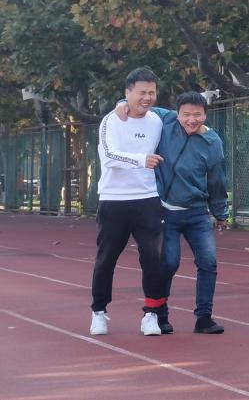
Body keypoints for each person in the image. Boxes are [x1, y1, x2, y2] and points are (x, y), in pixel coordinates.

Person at [116, 91, 228, 335]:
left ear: (205, 115)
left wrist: (220, 213)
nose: (191, 120)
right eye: (186, 114)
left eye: (197, 115)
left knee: (208, 262)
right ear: (177, 114)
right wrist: (122, 104)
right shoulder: (164, 120)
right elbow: (140, 106)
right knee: (168, 262)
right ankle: (160, 315)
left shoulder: (213, 143)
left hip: (197, 212)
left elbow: (217, 180)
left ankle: (204, 317)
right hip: (165, 211)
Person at [90, 67, 166, 336]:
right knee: (107, 258)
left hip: (147, 200)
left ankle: (151, 315)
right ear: (127, 93)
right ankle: (99, 312)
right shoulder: (111, 121)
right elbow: (109, 156)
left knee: (154, 257)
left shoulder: (157, 121)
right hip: (114, 201)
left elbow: (183, 117)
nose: (147, 98)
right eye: (141, 92)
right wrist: (141, 159)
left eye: (152, 92)